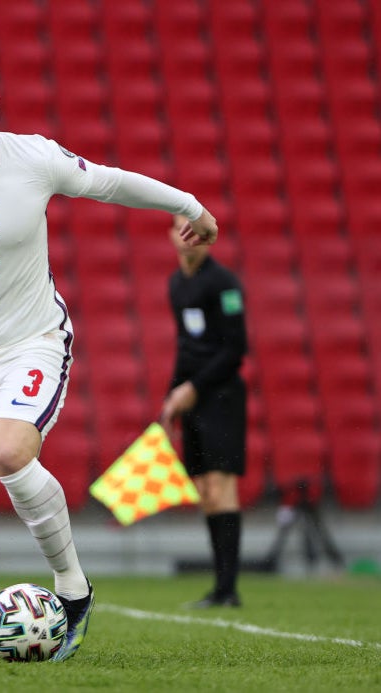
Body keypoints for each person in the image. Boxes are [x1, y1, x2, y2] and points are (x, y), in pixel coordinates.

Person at [0, 52, 219, 661]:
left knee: (8, 449)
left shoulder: (33, 157)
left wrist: (188, 204)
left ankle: (73, 589)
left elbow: (107, 180)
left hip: (33, 339)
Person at [160, 214, 247, 608]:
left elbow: (235, 348)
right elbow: (184, 345)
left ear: (209, 237)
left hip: (222, 397)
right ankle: (220, 588)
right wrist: (172, 396)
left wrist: (192, 389)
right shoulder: (176, 285)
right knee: (205, 492)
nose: (189, 236)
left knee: (220, 486)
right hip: (192, 398)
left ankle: (228, 589)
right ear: (171, 236)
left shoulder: (224, 284)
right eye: (182, 228)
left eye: (196, 229)